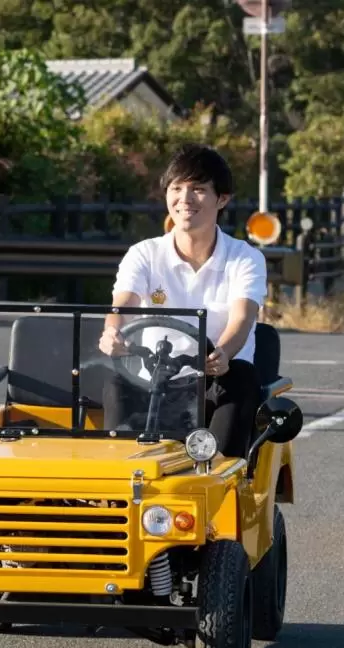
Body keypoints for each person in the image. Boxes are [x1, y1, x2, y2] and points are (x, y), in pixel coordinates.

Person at [97, 143, 267, 457]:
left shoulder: (245, 257)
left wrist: (223, 353)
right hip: (155, 382)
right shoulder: (144, 253)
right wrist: (113, 332)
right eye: (177, 188)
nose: (185, 199)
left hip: (216, 382)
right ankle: (121, 477)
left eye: (198, 189)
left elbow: (242, 318)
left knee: (242, 376)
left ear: (222, 199)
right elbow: (124, 304)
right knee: (115, 381)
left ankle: (221, 477)